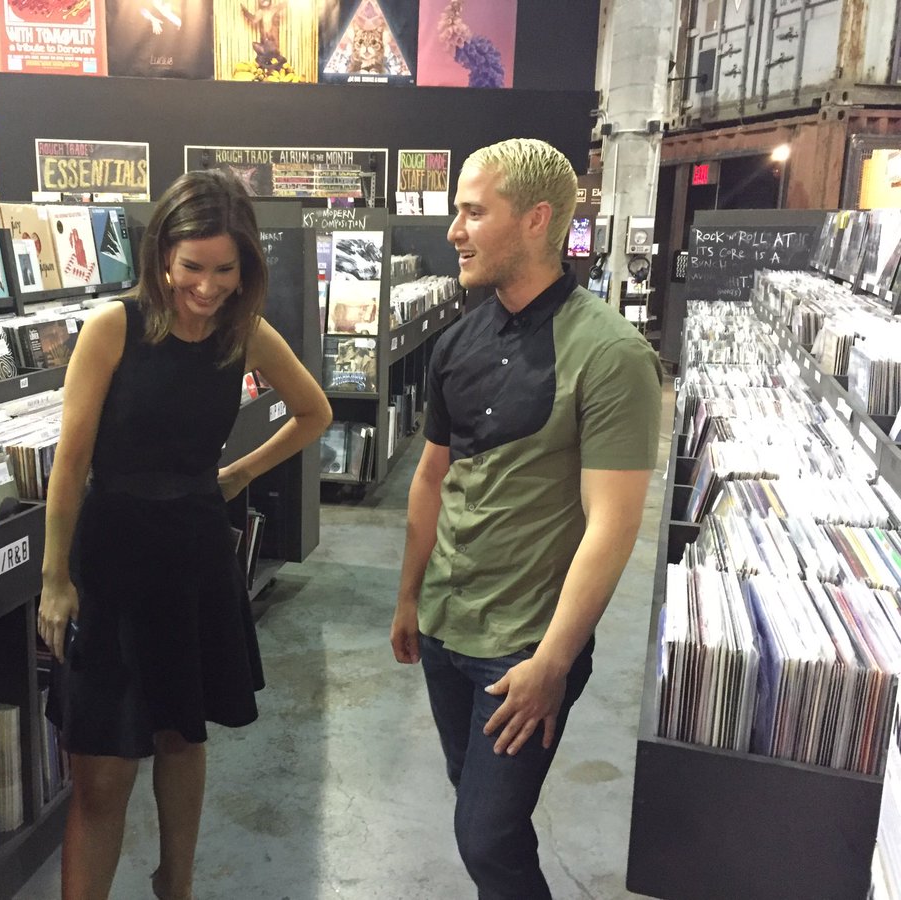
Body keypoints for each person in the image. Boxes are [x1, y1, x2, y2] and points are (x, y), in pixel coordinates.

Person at [38, 169, 331, 900]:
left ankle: (179, 884)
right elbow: (70, 463)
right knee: (101, 770)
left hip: (195, 552)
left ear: (245, 266)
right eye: (191, 266)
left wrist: (235, 476)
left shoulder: (245, 333)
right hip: (111, 556)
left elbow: (313, 412)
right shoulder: (116, 327)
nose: (205, 285)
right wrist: (54, 578)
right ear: (162, 255)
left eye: (224, 268)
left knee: (181, 731)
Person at [389, 138, 662, 900]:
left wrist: (554, 662)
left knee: (485, 835)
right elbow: (432, 477)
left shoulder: (611, 355)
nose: (454, 231)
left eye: (474, 212)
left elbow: (611, 525)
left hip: (525, 647)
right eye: (456, 213)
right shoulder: (457, 341)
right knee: (483, 817)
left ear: (536, 219)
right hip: (446, 627)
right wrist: (410, 598)